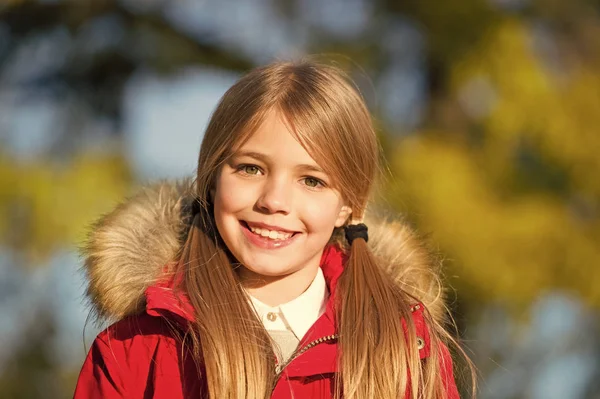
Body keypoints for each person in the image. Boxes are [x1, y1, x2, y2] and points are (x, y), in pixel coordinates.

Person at [74, 60, 470, 398]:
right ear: (211, 181)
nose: (274, 200)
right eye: (251, 168)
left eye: (312, 180)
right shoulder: (136, 350)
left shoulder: (406, 352)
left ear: (348, 206)